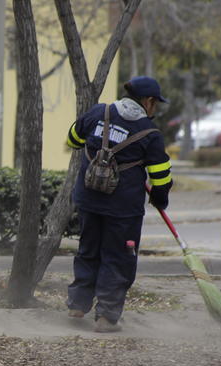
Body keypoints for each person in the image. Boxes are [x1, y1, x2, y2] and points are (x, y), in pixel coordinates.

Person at [65, 76, 172, 333]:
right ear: (148, 102)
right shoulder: (150, 133)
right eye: (155, 103)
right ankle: (107, 317)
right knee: (118, 258)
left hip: (88, 201)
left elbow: (73, 139)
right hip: (123, 210)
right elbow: (161, 175)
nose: (154, 108)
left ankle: (77, 306)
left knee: (88, 250)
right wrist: (160, 197)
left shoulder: (97, 112)